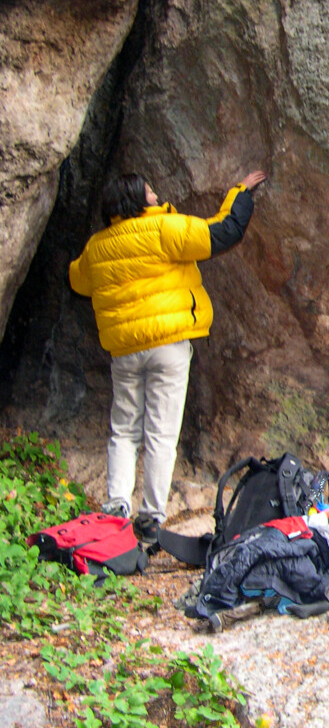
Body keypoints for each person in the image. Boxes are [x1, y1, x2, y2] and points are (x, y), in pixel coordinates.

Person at [69, 170, 268, 545]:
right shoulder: (164, 228)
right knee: (161, 433)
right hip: (168, 346)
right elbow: (223, 231)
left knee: (124, 430)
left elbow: (76, 281)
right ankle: (151, 518)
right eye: (149, 191)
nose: (156, 194)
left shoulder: (96, 247)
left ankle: (115, 508)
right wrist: (241, 192)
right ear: (137, 200)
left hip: (125, 352)